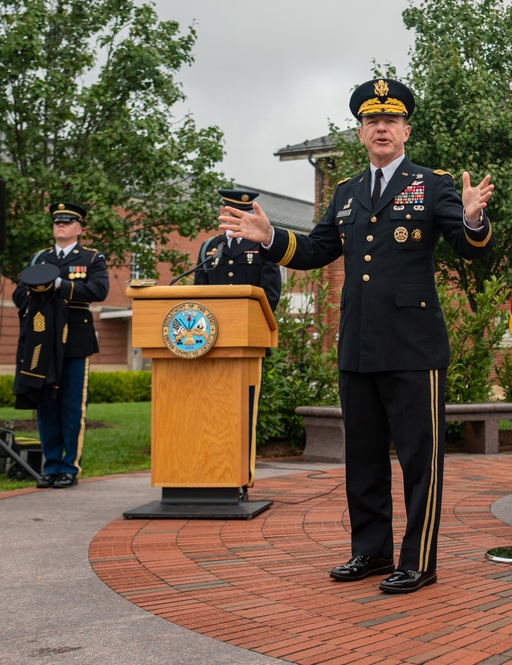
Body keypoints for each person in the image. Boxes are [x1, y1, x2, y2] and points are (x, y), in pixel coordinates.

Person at [219, 78, 495, 593]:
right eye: (372, 121)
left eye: (390, 120)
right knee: (362, 458)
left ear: (406, 129)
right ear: (362, 132)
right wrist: (270, 236)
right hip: (359, 346)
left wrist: (475, 218)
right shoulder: (346, 193)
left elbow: (468, 246)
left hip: (413, 348)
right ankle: (370, 552)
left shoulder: (431, 185)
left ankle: (417, 561)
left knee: (420, 460)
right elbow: (317, 250)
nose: (381, 128)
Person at [13, 203, 109, 489]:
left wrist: (59, 285)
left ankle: (69, 468)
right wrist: (37, 290)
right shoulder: (39, 259)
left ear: (79, 228)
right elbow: (20, 293)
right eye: (57, 222)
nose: (60, 227)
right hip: (42, 342)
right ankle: (51, 466)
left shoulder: (92, 258)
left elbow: (98, 290)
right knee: (46, 405)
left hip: (75, 343)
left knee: (70, 407)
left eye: (67, 223)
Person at [195, 188, 282, 494]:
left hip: (246, 347)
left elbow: (270, 297)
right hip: (210, 347)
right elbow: (197, 297)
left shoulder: (262, 248)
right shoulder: (210, 248)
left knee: (243, 413)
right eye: (229, 212)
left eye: (239, 213)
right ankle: (207, 472)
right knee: (209, 410)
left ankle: (240, 478)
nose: (233, 218)